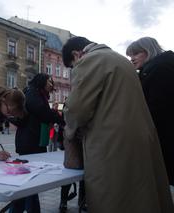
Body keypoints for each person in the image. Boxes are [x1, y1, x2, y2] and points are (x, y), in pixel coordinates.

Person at [61, 36, 174, 213]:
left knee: (110, 199)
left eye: (72, 66)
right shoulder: (121, 61)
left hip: (109, 145)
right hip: (139, 141)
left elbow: (77, 110)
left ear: (76, 54)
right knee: (140, 197)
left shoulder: (89, 61)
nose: (74, 70)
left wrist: (68, 128)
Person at [9, 73, 64, 213]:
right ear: (41, 81)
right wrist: (61, 119)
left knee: (29, 182)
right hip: (30, 143)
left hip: (33, 141)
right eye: (49, 82)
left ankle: (22, 209)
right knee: (29, 182)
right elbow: (43, 112)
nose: (51, 85)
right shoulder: (33, 94)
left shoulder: (37, 94)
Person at [126, 37, 174, 186]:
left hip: (166, 135)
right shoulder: (161, 66)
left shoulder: (159, 69)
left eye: (135, 54)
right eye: (130, 56)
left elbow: (156, 108)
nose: (132, 59)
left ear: (147, 51)